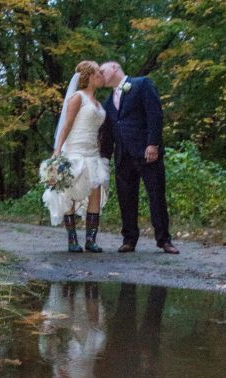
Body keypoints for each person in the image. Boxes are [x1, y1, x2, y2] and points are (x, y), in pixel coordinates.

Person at [99, 61, 179, 254]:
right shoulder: (108, 103)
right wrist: (104, 157)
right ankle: (129, 239)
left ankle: (164, 240)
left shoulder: (142, 84)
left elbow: (155, 115)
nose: (100, 75)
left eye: (103, 71)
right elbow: (108, 132)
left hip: (146, 152)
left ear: (115, 69)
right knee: (126, 198)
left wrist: (153, 144)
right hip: (122, 156)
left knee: (156, 195)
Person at [42, 60, 110, 253]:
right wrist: (57, 151)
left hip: (93, 153)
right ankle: (73, 240)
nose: (101, 76)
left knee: (95, 192)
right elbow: (67, 125)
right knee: (70, 193)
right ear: (88, 77)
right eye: (98, 73)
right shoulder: (77, 98)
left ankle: (91, 240)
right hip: (75, 150)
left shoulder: (97, 102)